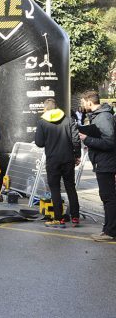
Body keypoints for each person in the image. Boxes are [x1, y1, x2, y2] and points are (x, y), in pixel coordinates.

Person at [35, 98, 81, 228]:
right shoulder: (68, 120)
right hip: (68, 159)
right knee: (70, 187)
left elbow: (39, 143)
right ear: (56, 107)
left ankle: (58, 218)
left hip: (52, 160)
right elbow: (76, 140)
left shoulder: (42, 122)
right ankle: (75, 217)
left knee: (55, 188)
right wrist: (77, 155)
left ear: (45, 109)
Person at [79, 91, 116, 242]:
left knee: (108, 197)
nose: (81, 105)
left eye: (82, 102)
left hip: (106, 162)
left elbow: (109, 142)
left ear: (89, 102)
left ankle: (110, 231)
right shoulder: (99, 116)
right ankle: (107, 229)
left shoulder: (103, 117)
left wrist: (87, 139)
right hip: (102, 161)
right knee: (107, 197)